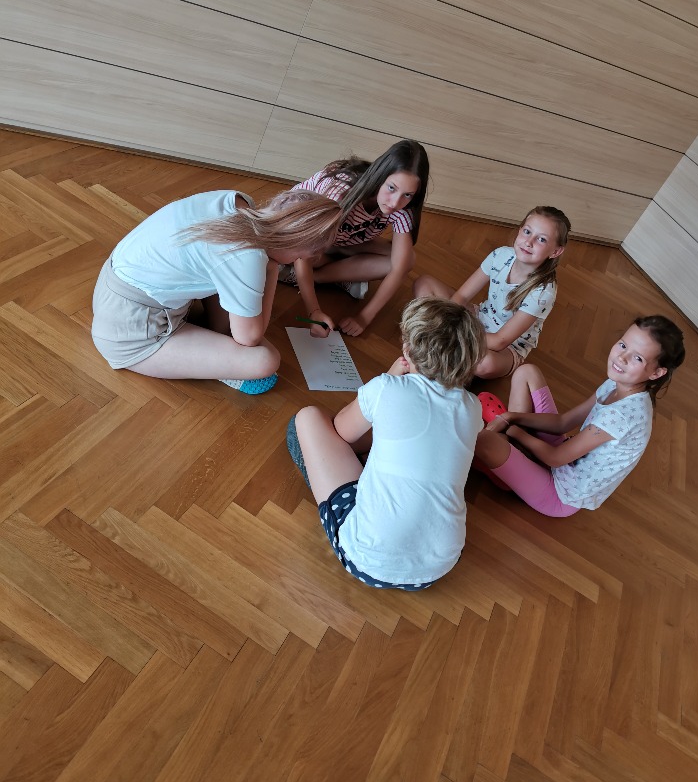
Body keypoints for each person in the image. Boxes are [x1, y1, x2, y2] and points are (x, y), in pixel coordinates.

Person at [286, 297, 486, 589]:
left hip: (367, 559)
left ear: (407, 350)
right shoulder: (473, 406)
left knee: (305, 421)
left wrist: (389, 377)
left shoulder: (386, 387)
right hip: (440, 564)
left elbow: (341, 432)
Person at [91, 188, 341, 393]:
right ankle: (213, 362)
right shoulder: (248, 256)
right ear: (291, 242)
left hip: (114, 286)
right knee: (265, 360)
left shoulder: (236, 200)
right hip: (129, 329)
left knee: (234, 308)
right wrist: (272, 268)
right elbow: (250, 338)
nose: (297, 262)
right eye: (300, 256)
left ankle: (211, 345)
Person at [473, 315, 686, 516]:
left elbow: (555, 458)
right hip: (563, 457)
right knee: (526, 372)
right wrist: (511, 417)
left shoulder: (623, 416)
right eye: (623, 345)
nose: (622, 358)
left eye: (637, 358)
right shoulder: (616, 383)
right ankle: (512, 454)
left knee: (485, 441)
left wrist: (513, 429)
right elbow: (563, 423)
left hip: (559, 494)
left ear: (656, 373)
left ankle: (505, 467)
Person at [281, 139, 430, 337]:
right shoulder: (341, 192)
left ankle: (316, 277)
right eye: (391, 188)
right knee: (311, 257)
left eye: (408, 195)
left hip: (339, 239)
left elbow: (399, 268)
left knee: (406, 258)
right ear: (380, 176)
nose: (395, 202)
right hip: (296, 237)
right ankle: (310, 274)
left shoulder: (403, 209)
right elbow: (303, 249)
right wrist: (314, 312)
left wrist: (363, 318)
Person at [413, 205, 570, 379]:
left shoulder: (543, 292)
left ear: (556, 251)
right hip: (479, 318)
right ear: (519, 230)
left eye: (541, 239)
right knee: (424, 283)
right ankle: (450, 352)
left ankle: (441, 347)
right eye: (527, 232)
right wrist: (450, 322)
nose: (529, 242)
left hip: (507, 347)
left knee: (484, 364)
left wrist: (451, 332)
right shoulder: (500, 255)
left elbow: (500, 340)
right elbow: (462, 296)